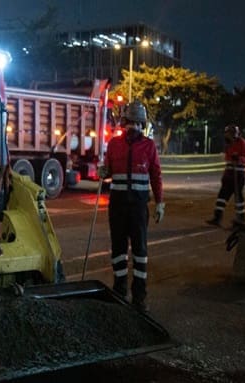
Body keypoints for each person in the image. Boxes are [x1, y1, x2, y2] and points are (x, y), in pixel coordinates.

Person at [98, 100, 164, 312]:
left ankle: (139, 296)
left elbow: (156, 175)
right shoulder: (114, 145)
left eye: (138, 123)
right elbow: (108, 170)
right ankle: (119, 290)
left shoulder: (149, 146)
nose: (133, 127)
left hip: (138, 207)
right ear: (124, 122)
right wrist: (103, 172)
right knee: (118, 249)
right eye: (130, 122)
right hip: (117, 206)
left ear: (142, 125)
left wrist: (160, 202)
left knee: (140, 251)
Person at [206, 124, 245, 227]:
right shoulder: (228, 145)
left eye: (229, 133)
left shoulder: (242, 143)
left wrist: (238, 158)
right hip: (229, 174)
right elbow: (227, 159)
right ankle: (217, 218)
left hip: (238, 174)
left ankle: (241, 219)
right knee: (222, 196)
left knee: (238, 197)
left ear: (234, 134)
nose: (227, 136)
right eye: (226, 134)